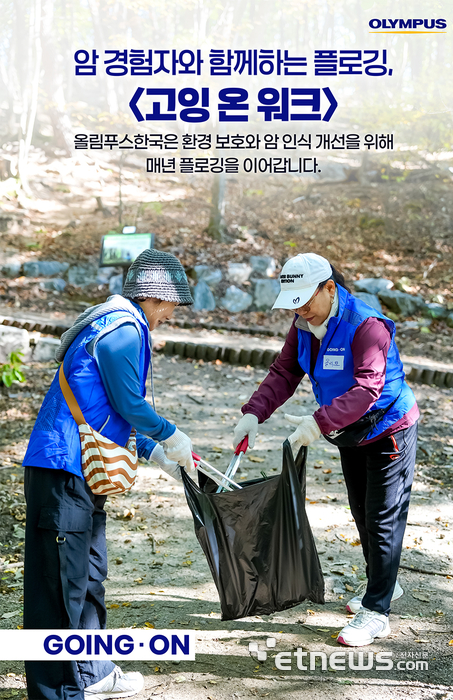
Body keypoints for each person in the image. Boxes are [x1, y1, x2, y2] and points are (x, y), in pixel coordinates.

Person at [22, 249, 195, 700]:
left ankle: (93, 673)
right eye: (172, 303)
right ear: (155, 296)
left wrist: (157, 452)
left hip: (82, 470)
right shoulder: (122, 329)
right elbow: (127, 404)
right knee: (59, 586)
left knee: (88, 573)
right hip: (63, 469)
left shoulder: (114, 323)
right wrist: (171, 434)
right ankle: (58, 691)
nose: (172, 313)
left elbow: (102, 405)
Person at [233, 253, 419, 647]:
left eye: (306, 299)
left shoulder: (366, 326)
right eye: (294, 301)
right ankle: (386, 584)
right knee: (361, 513)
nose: (300, 309)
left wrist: (317, 422)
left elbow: (368, 388)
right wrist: (254, 413)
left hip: (387, 429)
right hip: (348, 432)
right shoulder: (303, 325)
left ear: (330, 288)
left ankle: (377, 611)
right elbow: (285, 371)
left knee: (382, 519)